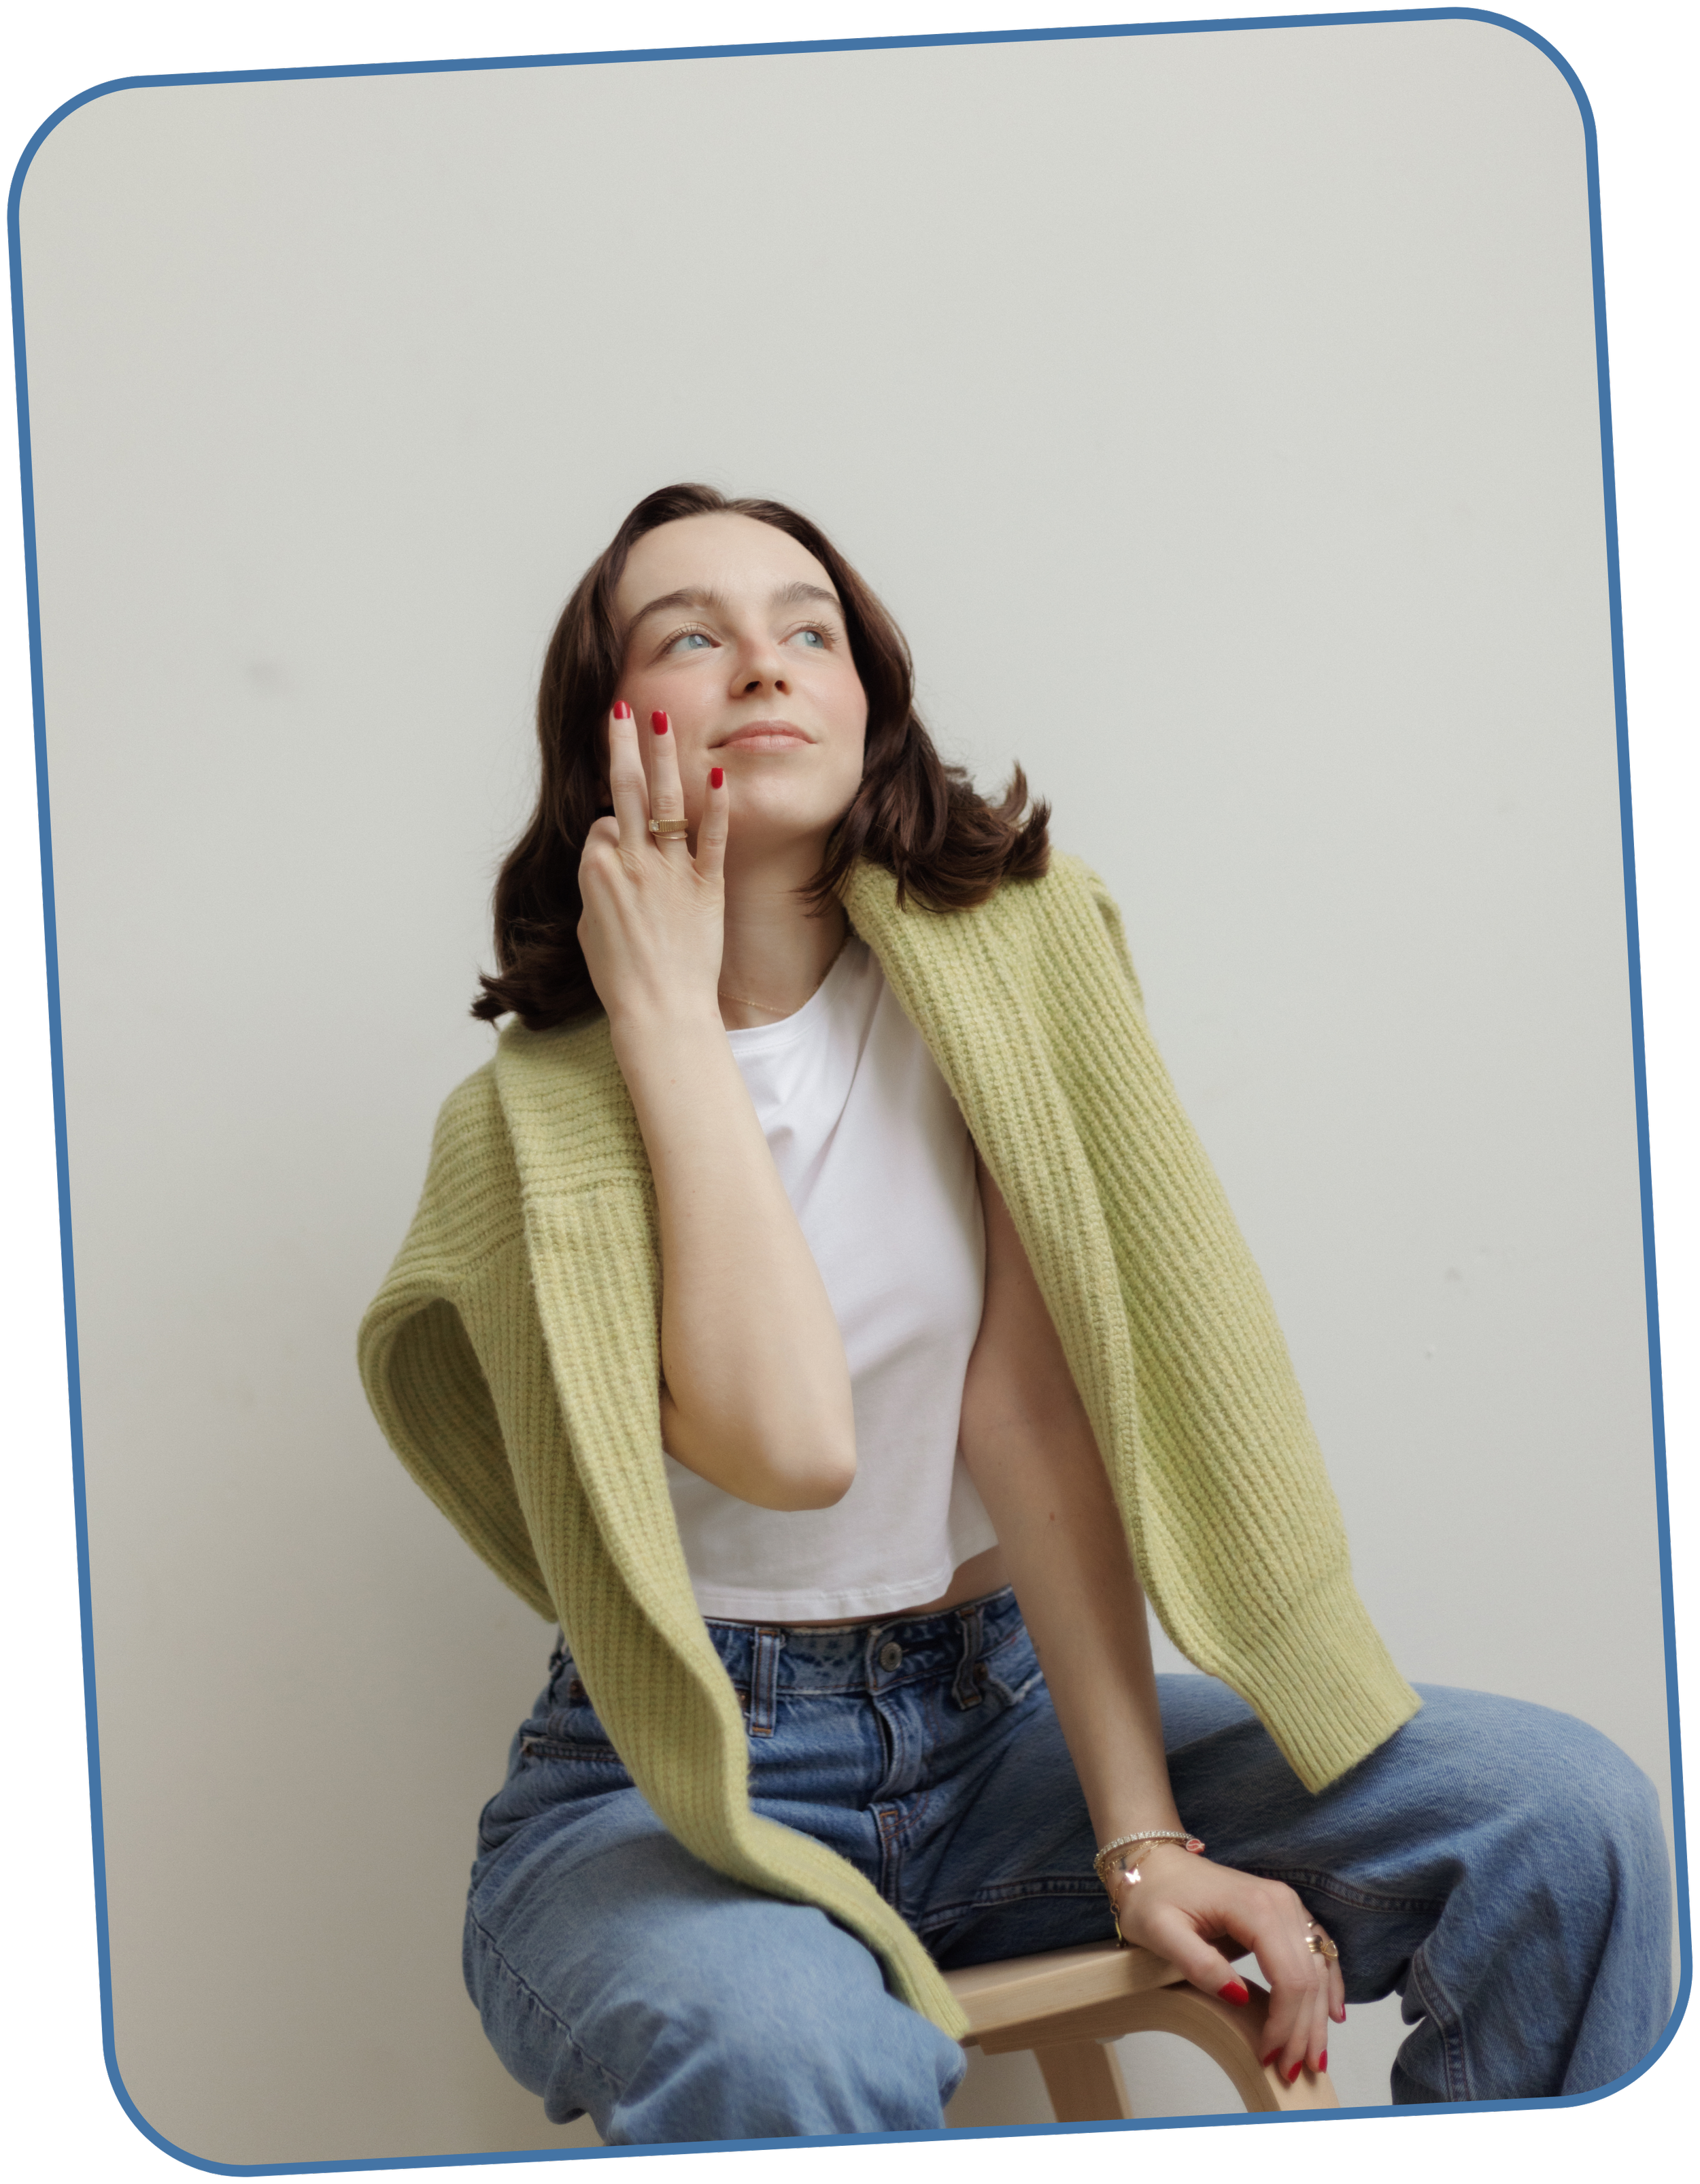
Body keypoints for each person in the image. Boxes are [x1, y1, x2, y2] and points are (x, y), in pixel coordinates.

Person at [358, 483, 1670, 2147]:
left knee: (1560, 1817)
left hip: (1000, 1735)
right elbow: (791, 1444)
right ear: (611, 731)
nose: (765, 664)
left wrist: (1144, 1842)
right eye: (693, 635)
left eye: (809, 629)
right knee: (790, 2054)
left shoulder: (996, 982)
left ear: (866, 698)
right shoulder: (531, 1128)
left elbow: (1031, 1424)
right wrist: (670, 1028)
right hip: (661, 1793)